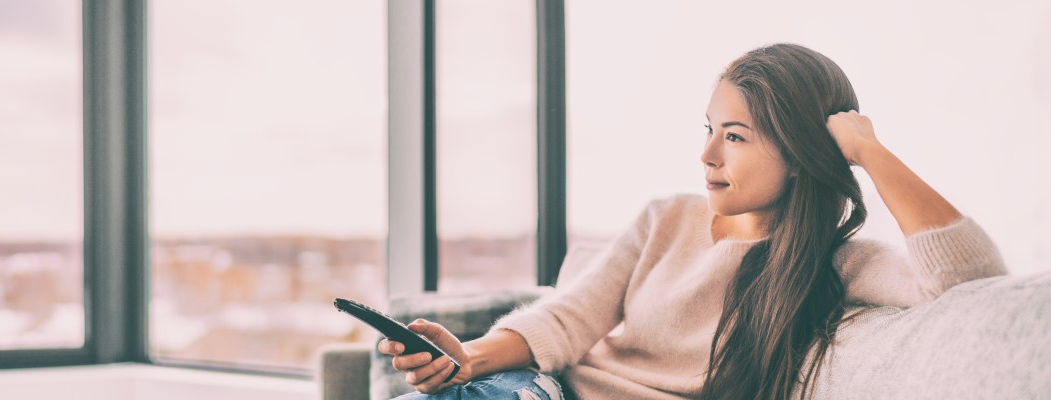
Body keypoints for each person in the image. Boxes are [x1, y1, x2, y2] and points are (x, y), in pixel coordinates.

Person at [378, 43, 1007, 400]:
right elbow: (567, 319)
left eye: (735, 136)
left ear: (797, 154)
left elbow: (970, 278)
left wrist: (868, 150)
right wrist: (470, 356)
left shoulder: (839, 261)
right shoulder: (665, 219)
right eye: (709, 130)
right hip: (543, 391)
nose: (707, 155)